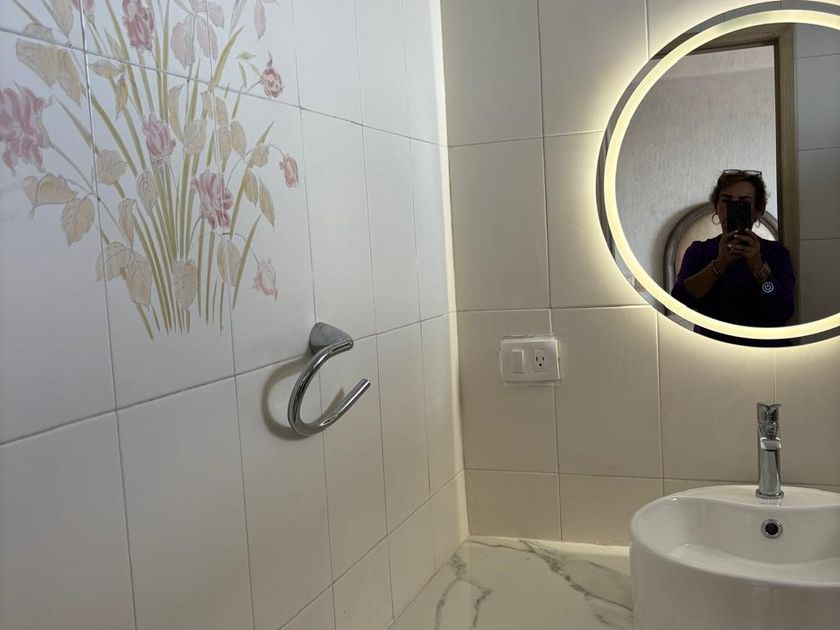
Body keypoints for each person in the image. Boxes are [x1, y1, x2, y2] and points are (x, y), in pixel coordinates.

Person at [671, 169, 795, 346]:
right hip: (713, 351)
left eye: (743, 203)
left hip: (767, 354)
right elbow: (682, 300)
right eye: (726, 201)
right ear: (716, 207)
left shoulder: (775, 253)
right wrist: (719, 265)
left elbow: (783, 309)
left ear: (758, 209)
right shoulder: (700, 251)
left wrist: (759, 268)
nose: (733, 209)